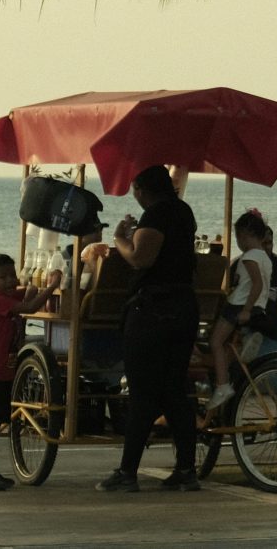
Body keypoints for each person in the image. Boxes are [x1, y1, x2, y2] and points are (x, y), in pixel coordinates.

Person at [99, 163, 202, 493]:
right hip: (184, 309)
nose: (135, 196)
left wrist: (119, 238)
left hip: (153, 312)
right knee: (174, 392)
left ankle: (127, 472)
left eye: (134, 190)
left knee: (143, 393)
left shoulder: (156, 214)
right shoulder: (184, 212)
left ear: (143, 190)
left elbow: (142, 259)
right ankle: (187, 470)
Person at [0, 252, 55, 491]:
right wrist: (53, 286)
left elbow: (27, 293)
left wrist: (33, 285)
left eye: (12, 275)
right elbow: (29, 305)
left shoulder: (8, 296)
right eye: (2, 277)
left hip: (6, 373)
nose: (9, 281)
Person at [207, 209, 276, 417]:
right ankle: (244, 342)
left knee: (215, 342)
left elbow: (256, 284)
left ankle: (222, 385)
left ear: (245, 235)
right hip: (258, 307)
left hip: (238, 305)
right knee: (227, 345)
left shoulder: (248, 257)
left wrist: (245, 309)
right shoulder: (265, 257)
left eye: (237, 237)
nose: (237, 242)